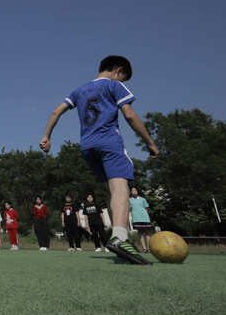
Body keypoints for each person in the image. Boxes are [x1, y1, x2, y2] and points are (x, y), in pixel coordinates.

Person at [40, 55, 159, 265]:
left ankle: (117, 241)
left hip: (87, 147)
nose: (121, 82)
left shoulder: (79, 90)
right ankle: (121, 238)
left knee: (111, 191)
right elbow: (130, 116)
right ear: (118, 71)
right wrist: (149, 142)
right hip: (109, 143)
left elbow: (56, 111)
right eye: (123, 78)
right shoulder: (114, 86)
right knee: (121, 187)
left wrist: (46, 137)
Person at [129, 187, 153, 253]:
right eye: (132, 190)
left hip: (145, 218)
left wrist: (145, 215)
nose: (134, 191)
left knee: (147, 233)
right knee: (140, 234)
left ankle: (149, 248)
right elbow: (130, 209)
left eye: (135, 190)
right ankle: (144, 249)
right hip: (136, 219)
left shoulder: (143, 199)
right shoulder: (130, 200)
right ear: (131, 192)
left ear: (137, 191)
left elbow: (146, 208)